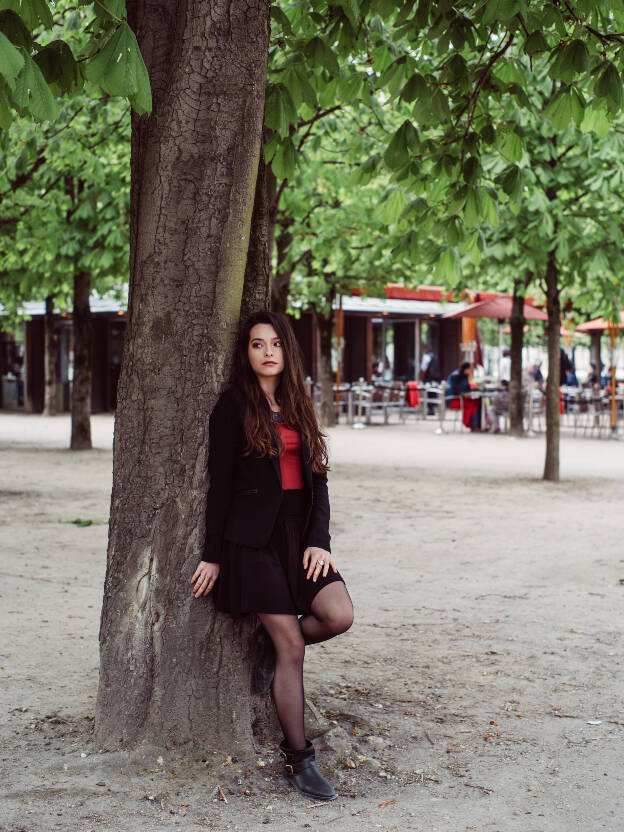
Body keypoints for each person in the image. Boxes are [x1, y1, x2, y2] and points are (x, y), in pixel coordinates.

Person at [190, 311, 353, 803]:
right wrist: (213, 556)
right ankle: (299, 760)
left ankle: (272, 650)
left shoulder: (300, 405)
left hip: (299, 539)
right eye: (257, 344)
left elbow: (319, 481)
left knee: (339, 615)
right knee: (295, 650)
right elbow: (218, 488)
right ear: (247, 352)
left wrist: (319, 540)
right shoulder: (232, 406)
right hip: (252, 544)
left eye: (275, 344)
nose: (266, 352)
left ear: (287, 353)